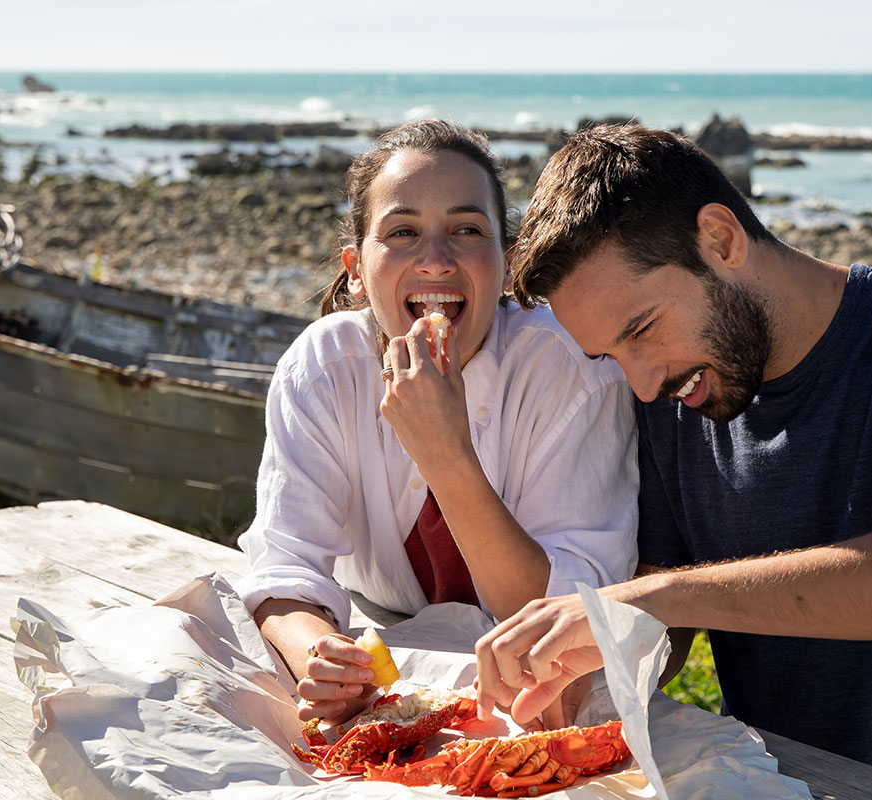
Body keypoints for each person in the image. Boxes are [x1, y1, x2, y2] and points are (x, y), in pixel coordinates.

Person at [473, 123, 872, 800]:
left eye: (640, 329)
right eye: (610, 355)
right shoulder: (673, 398)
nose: (640, 382)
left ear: (721, 239)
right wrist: (597, 663)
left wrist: (663, 598)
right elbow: (668, 617)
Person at [235, 120, 638, 725]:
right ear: (355, 268)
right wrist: (319, 660)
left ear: (507, 265)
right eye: (403, 232)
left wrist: (445, 454)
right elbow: (287, 565)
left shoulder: (573, 373)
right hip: (380, 650)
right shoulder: (324, 367)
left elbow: (565, 613)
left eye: (466, 230)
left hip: (537, 688)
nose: (435, 260)